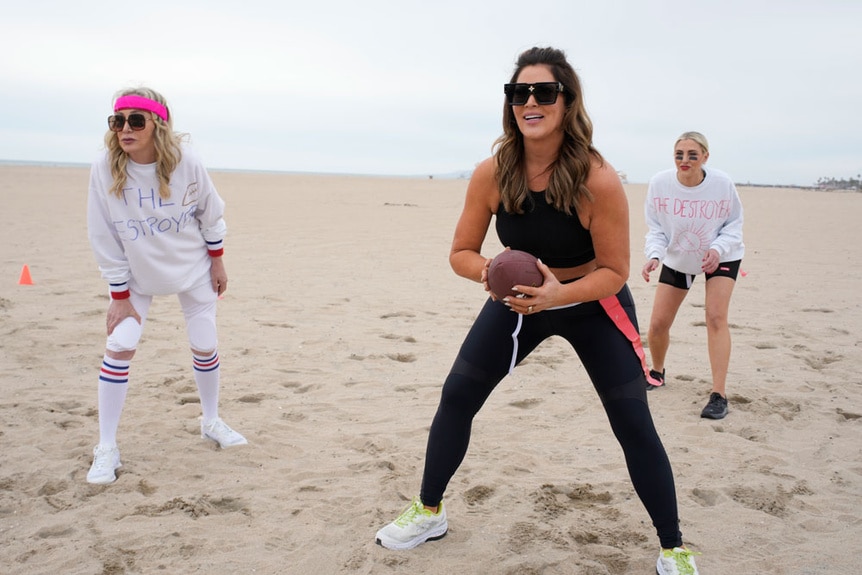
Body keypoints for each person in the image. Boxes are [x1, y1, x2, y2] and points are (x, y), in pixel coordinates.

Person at [376, 47, 700, 575]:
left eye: (543, 92)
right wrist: (488, 271)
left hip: (592, 302)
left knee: (633, 421)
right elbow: (460, 252)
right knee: (457, 395)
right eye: (518, 93)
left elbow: (615, 272)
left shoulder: (597, 178)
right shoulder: (492, 172)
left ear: (567, 103)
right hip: (519, 302)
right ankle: (428, 511)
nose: (529, 101)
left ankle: (673, 547)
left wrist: (557, 295)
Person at [85, 87, 247, 485]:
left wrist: (217, 260)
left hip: (192, 267)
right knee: (120, 344)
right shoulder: (105, 167)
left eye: (136, 120)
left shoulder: (186, 162)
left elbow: (211, 213)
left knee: (205, 342)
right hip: (136, 275)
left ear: (158, 124)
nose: (125, 128)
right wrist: (120, 296)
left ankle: (210, 420)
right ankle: (106, 446)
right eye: (117, 120)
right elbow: (102, 236)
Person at [641, 131, 745, 420]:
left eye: (692, 155)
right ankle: (657, 373)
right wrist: (654, 256)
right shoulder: (659, 184)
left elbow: (734, 225)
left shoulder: (721, 184)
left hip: (722, 255)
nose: (684, 160)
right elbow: (657, 230)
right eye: (679, 154)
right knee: (658, 324)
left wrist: (717, 248)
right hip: (680, 256)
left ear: (705, 157)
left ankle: (719, 395)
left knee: (714, 317)